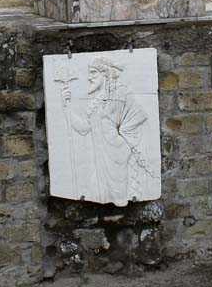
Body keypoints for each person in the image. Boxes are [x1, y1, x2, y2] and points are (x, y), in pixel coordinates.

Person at [61, 56, 150, 206]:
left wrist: (123, 136)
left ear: (106, 74)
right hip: (100, 159)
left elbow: (140, 115)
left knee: (117, 198)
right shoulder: (99, 99)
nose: (89, 78)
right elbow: (83, 128)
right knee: (96, 194)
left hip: (116, 155)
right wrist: (66, 106)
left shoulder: (119, 92)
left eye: (93, 73)